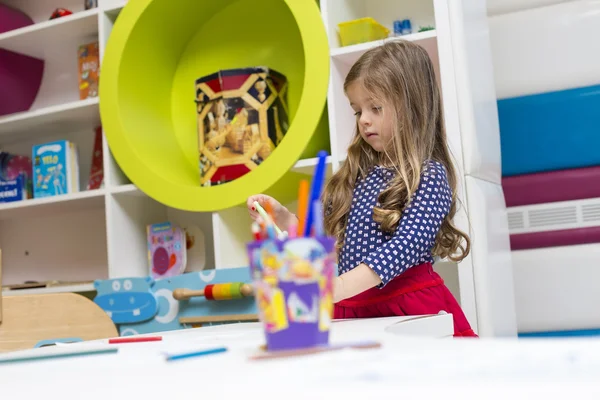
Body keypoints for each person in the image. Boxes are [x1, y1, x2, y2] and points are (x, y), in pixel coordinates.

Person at [246, 40, 477, 337]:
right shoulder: (357, 174)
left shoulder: (429, 176)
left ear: (412, 107)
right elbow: (329, 245)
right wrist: (284, 220)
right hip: (353, 308)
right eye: (357, 111)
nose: (364, 119)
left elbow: (405, 246)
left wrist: (339, 286)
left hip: (407, 309)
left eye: (375, 108)